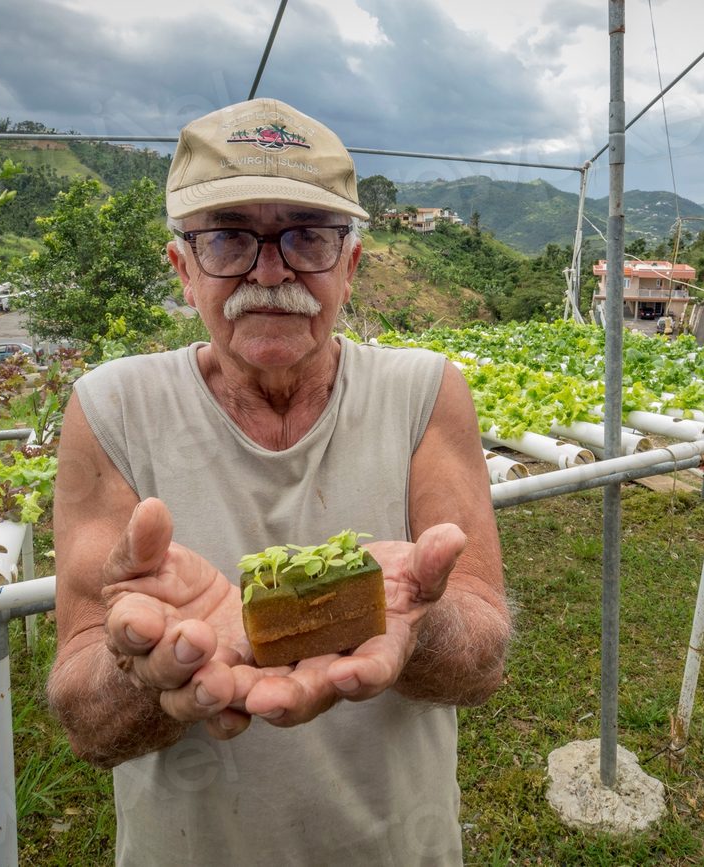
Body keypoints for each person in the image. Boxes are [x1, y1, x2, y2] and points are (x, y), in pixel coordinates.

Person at [46, 97, 512, 865]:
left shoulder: (426, 393)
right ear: (183, 268)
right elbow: (88, 722)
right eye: (229, 237)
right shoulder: (110, 409)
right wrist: (149, 668)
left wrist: (403, 615)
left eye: (307, 236)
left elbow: (483, 655)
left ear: (351, 265)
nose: (270, 271)